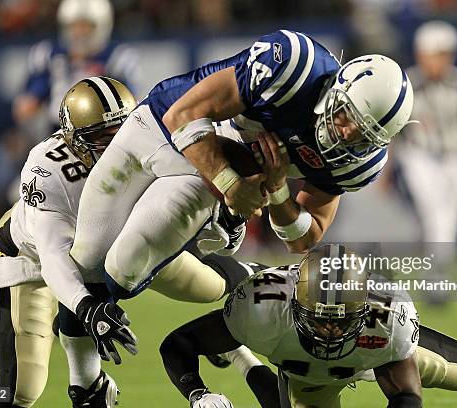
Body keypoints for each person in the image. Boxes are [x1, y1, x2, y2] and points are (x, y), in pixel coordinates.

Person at [0, 77, 254, 408]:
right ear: (72, 140)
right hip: (38, 258)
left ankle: (262, 281)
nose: (115, 146)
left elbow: (182, 223)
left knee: (208, 288)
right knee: (19, 392)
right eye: (100, 137)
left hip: (122, 247)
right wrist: (85, 307)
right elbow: (57, 257)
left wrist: (228, 219)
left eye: (121, 132)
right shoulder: (47, 168)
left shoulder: (151, 142)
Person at [70, 29, 416, 314]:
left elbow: (303, 238)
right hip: (165, 125)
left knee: (123, 267)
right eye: (347, 116)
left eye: (364, 136)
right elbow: (184, 114)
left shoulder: (360, 163)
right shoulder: (294, 66)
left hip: (221, 175)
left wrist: (278, 190)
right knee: (86, 257)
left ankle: (88, 376)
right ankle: (229, 239)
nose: (346, 134)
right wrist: (233, 187)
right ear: (340, 87)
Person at [159, 244, 457, 408]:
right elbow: (178, 343)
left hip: (370, 351)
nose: (329, 333)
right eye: (320, 320)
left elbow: (404, 394)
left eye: (339, 322)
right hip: (298, 358)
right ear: (296, 305)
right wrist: (198, 395)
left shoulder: (388, 323)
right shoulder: (259, 309)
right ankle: (239, 351)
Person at [389, 21, 457, 299]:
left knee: (450, 217)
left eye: (444, 53)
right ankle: (436, 280)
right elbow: (393, 132)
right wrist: (385, 170)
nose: (439, 60)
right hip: (419, 156)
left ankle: (435, 271)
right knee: (437, 214)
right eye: (435, 53)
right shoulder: (407, 83)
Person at [12, 0, 142, 139]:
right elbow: (25, 107)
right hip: (57, 134)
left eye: (87, 27)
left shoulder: (117, 58)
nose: (80, 33)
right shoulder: (48, 54)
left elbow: (133, 105)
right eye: (74, 27)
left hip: (102, 134)